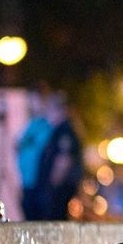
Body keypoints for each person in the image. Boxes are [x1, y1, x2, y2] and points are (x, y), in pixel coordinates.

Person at [18, 88, 81, 221]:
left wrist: (51, 188)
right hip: (48, 189)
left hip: (55, 190)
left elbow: (63, 160)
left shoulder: (64, 131)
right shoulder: (58, 130)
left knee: (52, 220)